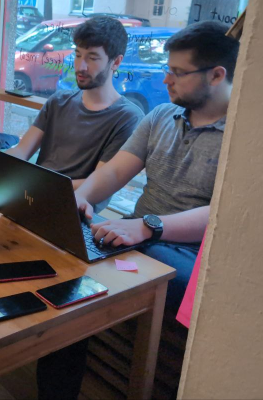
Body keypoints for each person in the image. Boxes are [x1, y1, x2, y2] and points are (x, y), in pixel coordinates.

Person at [37, 20, 238, 400]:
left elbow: (222, 213)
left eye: (178, 72)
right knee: (64, 281)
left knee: (80, 288)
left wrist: (147, 227)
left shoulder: (242, 135)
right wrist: (82, 197)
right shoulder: (161, 116)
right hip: (138, 237)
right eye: (168, 70)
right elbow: (115, 170)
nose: (166, 80)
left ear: (216, 74)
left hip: (191, 256)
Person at [0, 16, 144, 201]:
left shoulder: (127, 117)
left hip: (73, 206)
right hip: (32, 197)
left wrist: (37, 184)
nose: (80, 66)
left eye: (92, 58)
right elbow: (22, 151)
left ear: (116, 62)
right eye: (77, 55)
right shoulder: (59, 101)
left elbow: (97, 184)